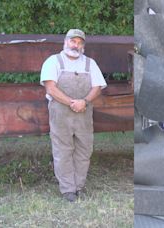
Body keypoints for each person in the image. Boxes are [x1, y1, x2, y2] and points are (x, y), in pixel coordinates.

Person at [40, 29, 107, 202]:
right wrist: (72, 102)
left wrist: (84, 102)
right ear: (65, 42)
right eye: (73, 41)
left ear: (83, 45)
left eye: (79, 42)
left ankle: (79, 186)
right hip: (61, 113)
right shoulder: (53, 61)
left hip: (84, 114)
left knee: (84, 150)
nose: (75, 45)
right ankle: (68, 190)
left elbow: (97, 87)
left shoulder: (90, 63)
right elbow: (51, 88)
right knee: (63, 150)